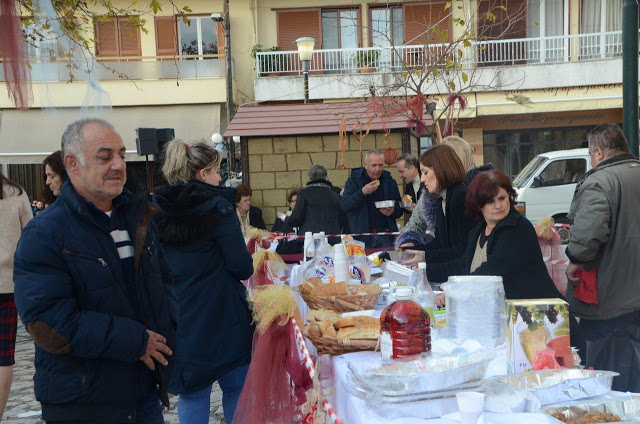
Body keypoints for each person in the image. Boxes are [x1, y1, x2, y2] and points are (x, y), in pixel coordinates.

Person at [13, 118, 178, 423]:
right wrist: (135, 341)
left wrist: (167, 322)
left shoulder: (138, 218)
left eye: (122, 155)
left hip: (143, 391)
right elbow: (49, 324)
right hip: (83, 402)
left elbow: (164, 277)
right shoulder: (45, 234)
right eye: (105, 157)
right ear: (73, 165)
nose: (118, 165)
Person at [153, 139, 254, 423]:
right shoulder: (218, 210)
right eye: (217, 170)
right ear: (202, 174)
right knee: (236, 386)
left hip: (181, 315)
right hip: (222, 314)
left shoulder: (157, 211)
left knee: (192, 392)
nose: (220, 177)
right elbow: (241, 266)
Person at [564, 124, 640, 392]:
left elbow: (584, 242)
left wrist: (573, 258)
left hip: (608, 299)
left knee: (605, 380)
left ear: (598, 152)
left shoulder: (599, 181)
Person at [395, 136, 492, 249]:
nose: (422, 179)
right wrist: (409, 242)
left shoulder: (470, 193)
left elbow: (462, 249)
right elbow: (415, 226)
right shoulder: (433, 195)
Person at [401, 144, 476, 266]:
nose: (422, 179)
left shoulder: (461, 196)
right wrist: (409, 251)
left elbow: (463, 250)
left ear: (442, 168)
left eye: (425, 172)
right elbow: (440, 243)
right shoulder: (442, 200)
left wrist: (425, 258)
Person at [0, 171, 32, 419]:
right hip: (8, 283)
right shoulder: (16, 193)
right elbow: (31, 237)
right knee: (3, 356)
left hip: (9, 284)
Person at [341, 150, 403, 246]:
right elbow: (345, 206)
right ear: (365, 165)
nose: (378, 169)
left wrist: (393, 211)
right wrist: (362, 192)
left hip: (385, 235)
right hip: (361, 236)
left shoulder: (389, 181)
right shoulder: (353, 181)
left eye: (380, 165)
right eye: (374, 165)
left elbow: (400, 207)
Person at [289, 165, 342, 235]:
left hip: (310, 238)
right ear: (326, 177)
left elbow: (296, 218)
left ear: (310, 178)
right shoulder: (335, 195)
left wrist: (286, 219)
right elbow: (342, 219)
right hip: (331, 238)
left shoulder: (303, 193)